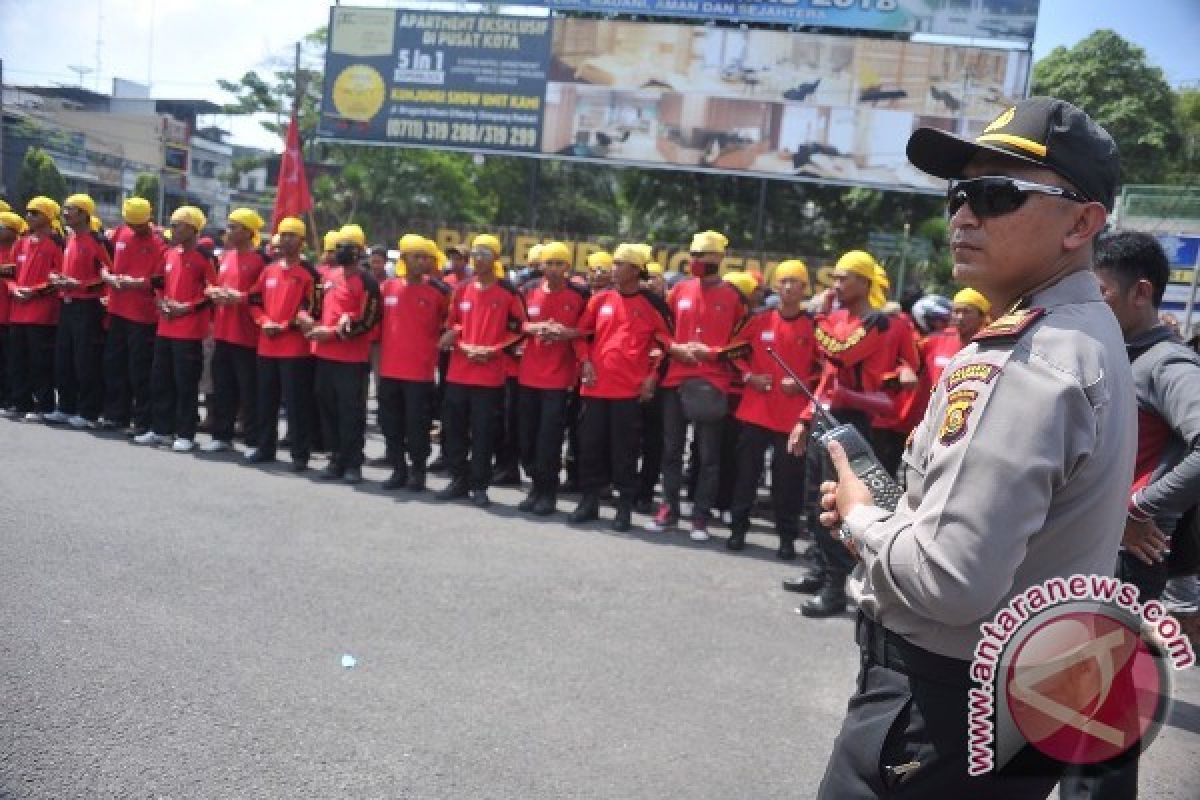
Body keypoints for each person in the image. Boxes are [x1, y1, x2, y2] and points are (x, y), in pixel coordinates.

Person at [814, 96, 1135, 798]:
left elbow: (950, 584)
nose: (962, 215)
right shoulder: (1087, 329)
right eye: (960, 193)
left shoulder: (1024, 361)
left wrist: (866, 518)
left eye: (996, 194)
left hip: (941, 702)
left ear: (1082, 223)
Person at [1058, 232, 1200, 800]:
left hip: (1125, 562)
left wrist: (1141, 505)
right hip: (1091, 552)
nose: (1091, 307)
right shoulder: (1114, 353)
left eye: (1102, 294)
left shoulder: (1166, 363)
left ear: (1141, 294)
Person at [788, 249, 896, 618]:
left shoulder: (877, 322)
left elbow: (841, 354)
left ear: (864, 282)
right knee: (812, 499)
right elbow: (827, 381)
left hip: (853, 421)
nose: (834, 285)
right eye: (833, 278)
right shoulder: (837, 318)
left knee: (838, 504)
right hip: (825, 415)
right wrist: (804, 420)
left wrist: (818, 314)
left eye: (843, 278)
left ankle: (837, 587)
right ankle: (821, 570)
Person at [649, 230, 747, 540]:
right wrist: (673, 348)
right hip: (676, 380)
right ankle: (669, 508)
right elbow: (660, 330)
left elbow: (744, 343)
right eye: (692, 254)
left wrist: (714, 353)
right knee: (671, 450)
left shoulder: (734, 297)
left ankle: (700, 517)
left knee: (708, 457)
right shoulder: (678, 290)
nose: (695, 260)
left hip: (712, 383)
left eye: (701, 255)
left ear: (718, 258)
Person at [571, 242, 673, 531]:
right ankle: (589, 501)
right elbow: (581, 335)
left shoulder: (653, 304)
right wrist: (585, 362)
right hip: (594, 388)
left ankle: (624, 507)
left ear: (635, 270)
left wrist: (652, 377)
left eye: (619, 264)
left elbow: (667, 345)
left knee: (625, 451)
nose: (612, 269)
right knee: (590, 446)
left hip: (629, 392)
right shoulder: (600, 299)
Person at [727, 260, 819, 559]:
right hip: (755, 412)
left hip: (792, 419)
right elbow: (732, 352)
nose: (789, 287)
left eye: (796, 281)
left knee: (788, 481)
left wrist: (804, 381)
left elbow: (827, 370)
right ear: (775, 286)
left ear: (805, 288)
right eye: (784, 281)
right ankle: (737, 529)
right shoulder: (759, 320)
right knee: (746, 475)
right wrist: (748, 377)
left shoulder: (815, 326)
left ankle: (786, 537)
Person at [436, 234, 527, 507]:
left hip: (489, 376)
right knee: (453, 429)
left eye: (485, 253)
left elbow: (519, 329)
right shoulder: (461, 289)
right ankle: (458, 479)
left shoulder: (508, 291)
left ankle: (479, 485)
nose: (478, 258)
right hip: (459, 372)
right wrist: (462, 343)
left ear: (496, 258)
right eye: (475, 253)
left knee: (484, 432)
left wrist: (493, 350)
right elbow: (451, 325)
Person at [134, 206, 217, 452]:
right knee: (160, 380)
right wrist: (161, 301)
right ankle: (161, 429)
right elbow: (159, 282)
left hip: (190, 331)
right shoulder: (170, 254)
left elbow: (212, 292)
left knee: (185, 384)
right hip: (165, 328)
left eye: (177, 225)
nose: (172, 230)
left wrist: (187, 308)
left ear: (192, 228)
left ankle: (185, 433)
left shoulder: (205, 257)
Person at [306, 224, 381, 484]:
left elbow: (368, 322)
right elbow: (314, 309)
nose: (341, 251)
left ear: (359, 251)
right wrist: (306, 320)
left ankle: (353, 463)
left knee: (350, 412)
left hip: (351, 360)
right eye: (338, 246)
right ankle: (334, 458)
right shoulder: (326, 277)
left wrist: (335, 334)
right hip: (323, 356)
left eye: (346, 246)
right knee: (327, 408)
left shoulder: (367, 281)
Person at [516, 241, 587, 515]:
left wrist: (566, 333)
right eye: (550, 264)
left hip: (558, 380)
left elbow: (587, 330)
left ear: (568, 267)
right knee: (527, 438)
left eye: (560, 264)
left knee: (549, 439)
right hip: (528, 376)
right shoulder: (528, 290)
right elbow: (517, 322)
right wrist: (536, 328)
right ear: (541, 265)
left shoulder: (580, 295)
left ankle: (548, 492)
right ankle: (535, 485)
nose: (555, 270)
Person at [244, 217, 317, 472]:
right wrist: (263, 322)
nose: (285, 240)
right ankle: (265, 448)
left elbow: (312, 309)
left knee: (296, 405)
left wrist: (285, 326)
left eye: (291, 235)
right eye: (282, 235)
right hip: (266, 346)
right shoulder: (269, 270)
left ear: (302, 241)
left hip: (295, 350)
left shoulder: (309, 273)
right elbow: (253, 300)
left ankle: (300, 454)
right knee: (265, 401)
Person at [377, 235, 450, 491]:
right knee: (390, 423)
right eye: (416, 257)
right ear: (404, 259)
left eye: (426, 257)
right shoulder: (387, 287)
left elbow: (452, 323)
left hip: (420, 372)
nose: (422, 262)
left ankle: (418, 471)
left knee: (417, 425)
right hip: (389, 369)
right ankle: (398, 469)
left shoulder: (440, 292)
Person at [100, 198, 167, 436]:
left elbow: (162, 279)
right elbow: (103, 263)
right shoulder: (119, 232)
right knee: (114, 365)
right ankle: (116, 415)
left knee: (139, 370)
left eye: (139, 225)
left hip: (143, 315)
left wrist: (137, 282)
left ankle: (142, 421)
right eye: (131, 224)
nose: (135, 229)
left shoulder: (160, 242)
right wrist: (108, 277)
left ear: (149, 219)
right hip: (117, 309)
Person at [203, 208, 267, 452]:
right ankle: (222, 435)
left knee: (248, 391)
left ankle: (251, 440)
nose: (228, 231)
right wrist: (213, 292)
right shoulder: (225, 257)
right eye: (228, 226)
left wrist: (239, 297)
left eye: (234, 227)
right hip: (223, 331)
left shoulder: (260, 261)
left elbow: (263, 296)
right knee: (223, 387)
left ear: (249, 232)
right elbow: (215, 284)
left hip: (247, 336)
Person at [49, 194, 111, 429]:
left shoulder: (98, 241)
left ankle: (88, 411)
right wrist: (56, 277)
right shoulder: (69, 239)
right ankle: (66, 406)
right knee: (63, 358)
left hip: (88, 306)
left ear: (84, 214)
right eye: (64, 208)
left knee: (85, 360)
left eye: (71, 209)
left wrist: (81, 285)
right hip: (66, 303)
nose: (65, 213)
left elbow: (108, 275)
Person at [8, 197, 65, 421]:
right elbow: (9, 273)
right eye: (28, 212)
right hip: (17, 311)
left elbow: (59, 277)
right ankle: (20, 402)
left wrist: (34, 291)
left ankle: (44, 406)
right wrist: (14, 289)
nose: (29, 216)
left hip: (42, 315)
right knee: (17, 360)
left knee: (40, 363)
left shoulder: (56, 244)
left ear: (48, 217)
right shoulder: (21, 242)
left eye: (35, 213)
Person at [920, 288, 991, 386]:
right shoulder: (934, 341)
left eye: (966, 312)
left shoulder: (991, 346)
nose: (960, 317)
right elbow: (907, 360)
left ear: (982, 317)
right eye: (956, 311)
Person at [0, 210, 28, 412]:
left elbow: (13, 276)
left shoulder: (16, 250)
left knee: (11, 361)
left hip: (10, 315)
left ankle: (11, 398)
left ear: (12, 231)